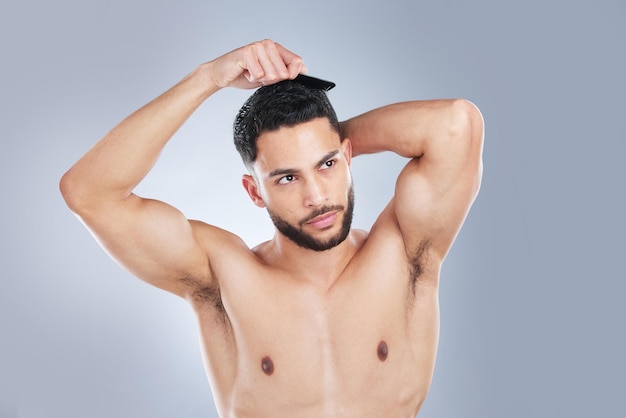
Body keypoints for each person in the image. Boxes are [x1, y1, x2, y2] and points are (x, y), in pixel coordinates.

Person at [60, 39, 484, 417]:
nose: (316, 196)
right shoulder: (224, 276)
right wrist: (208, 77)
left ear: (348, 157)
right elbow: (89, 193)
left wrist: (321, 140)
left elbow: (454, 124)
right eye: (286, 178)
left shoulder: (404, 252)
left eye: (328, 165)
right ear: (254, 191)